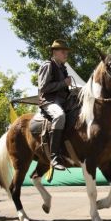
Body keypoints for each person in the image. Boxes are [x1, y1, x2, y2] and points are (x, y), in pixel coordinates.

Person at [38, 39, 72, 170]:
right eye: (63, 51)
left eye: (66, 52)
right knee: (60, 116)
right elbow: (43, 88)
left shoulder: (63, 67)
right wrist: (64, 83)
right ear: (54, 52)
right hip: (49, 101)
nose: (66, 54)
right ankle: (54, 157)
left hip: (63, 101)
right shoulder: (48, 65)